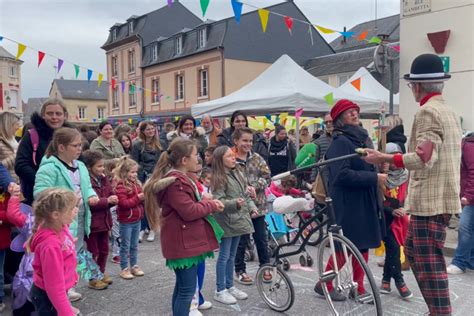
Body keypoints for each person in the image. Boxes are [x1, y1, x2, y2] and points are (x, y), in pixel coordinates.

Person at [362, 54, 463, 315]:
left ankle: (440, 312)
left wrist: (383, 157)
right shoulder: (448, 110)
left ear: (417, 86)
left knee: (428, 262)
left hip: (430, 202)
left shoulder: (428, 111)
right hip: (439, 199)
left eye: (411, 86)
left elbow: (423, 157)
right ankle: (437, 310)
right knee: (418, 254)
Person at [143, 138, 224, 316]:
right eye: (195, 155)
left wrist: (203, 202)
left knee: (182, 288)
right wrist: (210, 205)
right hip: (183, 243)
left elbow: (188, 206)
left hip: (185, 241)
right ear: (184, 160)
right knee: (186, 291)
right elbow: (189, 211)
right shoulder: (176, 183)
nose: (198, 158)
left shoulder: (179, 179)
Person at [314, 99, 385, 301]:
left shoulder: (360, 139)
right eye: (349, 112)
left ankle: (358, 287)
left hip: (362, 199)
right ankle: (324, 284)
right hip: (347, 203)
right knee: (345, 247)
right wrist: (374, 177)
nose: (354, 114)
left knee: (362, 245)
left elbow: (363, 166)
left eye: (356, 111)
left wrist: (378, 167)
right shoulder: (341, 142)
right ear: (339, 119)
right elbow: (340, 175)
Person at [34, 127, 104, 299]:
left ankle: (70, 285)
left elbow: (86, 187)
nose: (79, 148)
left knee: (74, 250)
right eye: (75, 145)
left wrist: (92, 196)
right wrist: (67, 200)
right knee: (62, 254)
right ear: (61, 147)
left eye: (80, 145)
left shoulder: (80, 165)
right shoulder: (49, 168)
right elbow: (40, 193)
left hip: (79, 215)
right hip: (59, 220)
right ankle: (61, 292)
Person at [211, 146, 256, 305]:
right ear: (220, 160)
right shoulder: (219, 178)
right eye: (229, 156)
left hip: (238, 220)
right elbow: (218, 201)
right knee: (224, 256)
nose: (233, 158)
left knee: (232, 255)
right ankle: (220, 289)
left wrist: (252, 207)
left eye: (233, 155)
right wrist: (234, 204)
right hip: (227, 220)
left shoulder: (238, 172)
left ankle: (230, 286)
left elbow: (244, 193)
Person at [29, 188, 80, 316]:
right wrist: (66, 312)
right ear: (56, 215)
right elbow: (54, 288)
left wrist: (69, 242)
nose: (76, 210)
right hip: (47, 297)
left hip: (54, 293)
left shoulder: (58, 226)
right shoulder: (50, 246)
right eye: (72, 208)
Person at [231, 127, 272, 285]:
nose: (248, 144)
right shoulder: (231, 159)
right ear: (236, 141)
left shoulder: (257, 158)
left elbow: (267, 176)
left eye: (250, 141)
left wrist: (255, 185)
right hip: (239, 207)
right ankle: (240, 270)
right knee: (241, 241)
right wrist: (243, 188)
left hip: (258, 206)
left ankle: (265, 266)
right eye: (244, 140)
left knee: (261, 239)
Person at [15, 98, 71, 206]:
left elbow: (80, 161)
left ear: (65, 116)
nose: (54, 117)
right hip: (38, 196)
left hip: (68, 195)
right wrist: (43, 181)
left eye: (58, 114)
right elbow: (21, 165)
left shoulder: (71, 136)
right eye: (50, 113)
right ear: (43, 115)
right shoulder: (32, 135)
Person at [379, 143, 412, 299]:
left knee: (392, 249)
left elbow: (408, 196)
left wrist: (406, 208)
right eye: (392, 159)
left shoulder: (406, 175)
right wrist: (391, 210)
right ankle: (399, 280)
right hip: (385, 218)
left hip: (400, 218)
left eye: (398, 159)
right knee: (392, 248)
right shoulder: (379, 176)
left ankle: (386, 278)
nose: (395, 163)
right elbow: (377, 202)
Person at [82, 150, 117, 287]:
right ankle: (92, 278)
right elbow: (91, 202)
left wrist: (113, 198)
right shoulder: (87, 181)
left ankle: (100, 272)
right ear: (90, 167)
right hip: (92, 223)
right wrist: (107, 201)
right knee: (93, 252)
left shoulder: (103, 178)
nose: (102, 169)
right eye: (99, 166)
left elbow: (109, 193)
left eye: (103, 166)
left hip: (104, 220)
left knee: (104, 250)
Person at [113, 157, 145, 280]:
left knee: (134, 244)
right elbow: (123, 204)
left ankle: (134, 265)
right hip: (126, 221)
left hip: (136, 219)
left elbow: (139, 200)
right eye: (132, 172)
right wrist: (138, 198)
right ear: (124, 172)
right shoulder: (121, 185)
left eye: (135, 172)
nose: (135, 174)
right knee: (125, 245)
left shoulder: (137, 184)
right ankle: (124, 268)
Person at [131, 121, 162, 243]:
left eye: (152, 129)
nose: (151, 131)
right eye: (148, 129)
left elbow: (162, 162)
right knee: (143, 202)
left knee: (154, 204)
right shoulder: (138, 145)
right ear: (143, 131)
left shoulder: (160, 144)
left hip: (156, 176)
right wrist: (139, 177)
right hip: (142, 176)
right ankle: (142, 228)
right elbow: (135, 162)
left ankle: (153, 228)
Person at [447, 131, 474, 274]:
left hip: (471, 197)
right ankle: (470, 260)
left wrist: (468, 196)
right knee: (470, 228)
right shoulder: (468, 144)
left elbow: (473, 171)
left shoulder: (468, 146)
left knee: (464, 228)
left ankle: (459, 262)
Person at [0, 112, 21, 184]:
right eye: (16, 124)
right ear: (8, 125)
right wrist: (17, 155)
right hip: (5, 185)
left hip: (17, 184)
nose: (18, 127)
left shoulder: (14, 141)